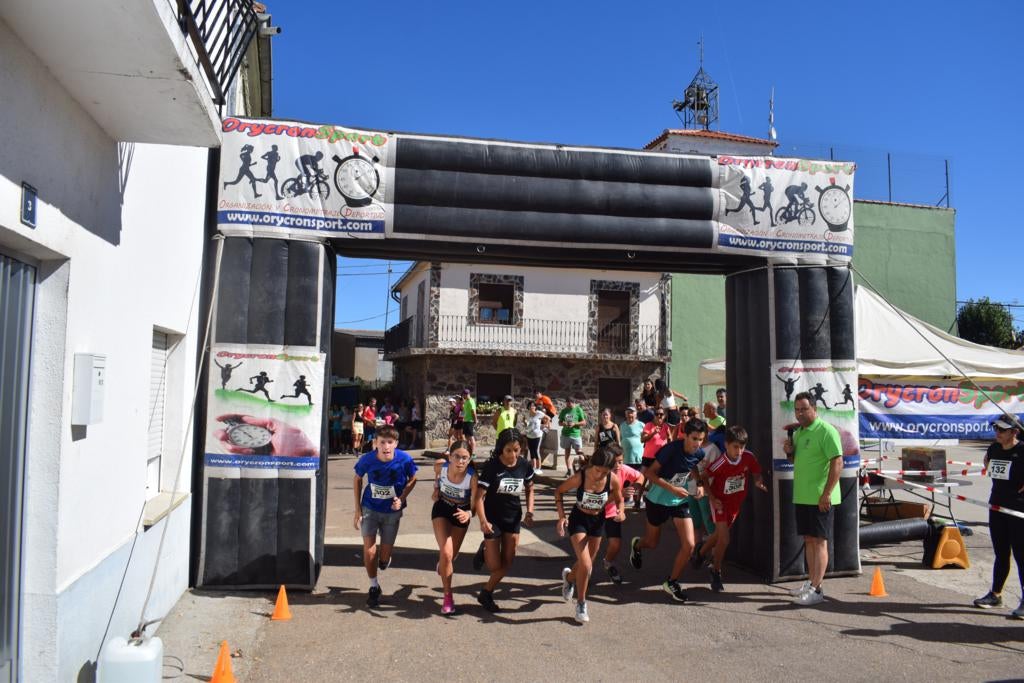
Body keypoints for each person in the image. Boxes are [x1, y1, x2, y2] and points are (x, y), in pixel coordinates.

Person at [629, 417, 707, 602]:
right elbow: (649, 473)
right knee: (652, 542)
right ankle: (637, 545)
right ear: (685, 435)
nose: (697, 443)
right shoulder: (670, 450)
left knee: (689, 545)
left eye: (701, 439)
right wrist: (672, 488)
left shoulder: (699, 453)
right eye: (694, 438)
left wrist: (700, 483)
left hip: (679, 502)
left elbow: (693, 465)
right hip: (657, 500)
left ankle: (672, 582)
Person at [783, 392, 842, 606]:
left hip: (820, 498)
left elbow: (837, 463)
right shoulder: (799, 433)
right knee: (808, 540)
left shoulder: (826, 431)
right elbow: (797, 459)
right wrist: (789, 452)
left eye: (804, 409)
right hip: (803, 496)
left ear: (814, 409)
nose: (800, 413)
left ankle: (817, 589)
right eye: (797, 409)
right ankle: (811, 582)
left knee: (819, 542)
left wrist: (826, 493)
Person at [555, 447, 624, 623]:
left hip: (597, 521)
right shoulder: (581, 476)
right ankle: (581, 604)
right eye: (597, 470)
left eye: (605, 472)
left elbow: (619, 498)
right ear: (592, 465)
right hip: (579, 520)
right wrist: (561, 516)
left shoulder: (612, 479)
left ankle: (569, 578)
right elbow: (559, 491)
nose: (600, 475)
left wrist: (621, 511)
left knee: (586, 563)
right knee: (586, 564)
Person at [694, 425, 766, 592]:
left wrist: (757, 480)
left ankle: (700, 552)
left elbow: (756, 470)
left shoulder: (748, 457)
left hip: (735, 504)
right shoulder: (720, 463)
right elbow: (704, 477)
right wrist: (712, 498)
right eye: (735, 447)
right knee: (724, 539)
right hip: (720, 503)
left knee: (718, 535)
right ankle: (715, 570)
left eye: (742, 447)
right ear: (726, 445)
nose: (739, 451)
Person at [353, 425, 418, 608]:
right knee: (369, 550)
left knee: (383, 556)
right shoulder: (367, 459)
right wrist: (357, 510)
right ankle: (374, 586)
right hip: (370, 508)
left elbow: (413, 479)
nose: (386, 446)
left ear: (396, 443)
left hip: (392, 511)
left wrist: (402, 498)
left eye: (390, 442)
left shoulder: (404, 459)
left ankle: (384, 559)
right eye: (382, 442)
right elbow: (357, 479)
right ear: (375, 443)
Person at [473, 430, 535, 612]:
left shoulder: (525, 465)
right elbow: (478, 498)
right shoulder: (492, 467)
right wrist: (483, 521)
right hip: (492, 520)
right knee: (495, 566)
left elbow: (530, 488)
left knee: (507, 564)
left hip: (513, 518)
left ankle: (486, 593)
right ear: (501, 448)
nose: (512, 455)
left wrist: (530, 511)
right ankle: (485, 550)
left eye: (516, 450)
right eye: (508, 450)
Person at [972, 417, 1024, 619]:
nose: (998, 432)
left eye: (1002, 430)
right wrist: (987, 462)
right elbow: (988, 464)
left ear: (1014, 432)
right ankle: (995, 594)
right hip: (996, 507)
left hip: (1018, 510)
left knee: (1021, 555)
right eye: (996, 428)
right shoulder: (994, 448)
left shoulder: (1023, 451)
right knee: (1001, 552)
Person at [431, 441, 478, 615]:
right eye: (456, 456)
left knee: (452, 556)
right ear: (449, 456)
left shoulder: (472, 477)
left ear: (470, 459)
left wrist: (469, 514)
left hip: (461, 514)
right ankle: (448, 596)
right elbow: (437, 478)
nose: (460, 461)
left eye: (464, 458)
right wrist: (436, 489)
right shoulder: (440, 467)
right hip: (442, 508)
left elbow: (475, 503)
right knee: (446, 553)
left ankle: (443, 565)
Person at [602, 443, 644, 583]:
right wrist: (620, 494)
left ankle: (607, 563)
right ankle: (582, 572)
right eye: (614, 462)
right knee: (590, 548)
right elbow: (599, 502)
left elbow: (640, 477)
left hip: (612, 512)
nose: (618, 465)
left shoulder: (623, 469)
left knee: (616, 544)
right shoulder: (599, 473)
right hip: (595, 512)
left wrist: (635, 486)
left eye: (620, 461)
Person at [558, 396, 587, 476]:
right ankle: (569, 470)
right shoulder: (564, 411)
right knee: (567, 452)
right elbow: (559, 422)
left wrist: (574, 424)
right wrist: (564, 423)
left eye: (569, 403)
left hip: (575, 434)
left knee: (579, 453)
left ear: (573, 402)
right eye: (567, 403)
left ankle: (583, 469)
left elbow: (584, 422)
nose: (568, 405)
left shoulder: (578, 409)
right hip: (566, 434)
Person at [619, 406, 644, 472]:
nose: (630, 414)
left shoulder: (641, 425)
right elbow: (620, 439)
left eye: (632, 413)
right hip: (625, 458)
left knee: (636, 478)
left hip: (637, 458)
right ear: (625, 415)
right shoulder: (622, 425)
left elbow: (646, 439)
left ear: (636, 414)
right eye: (628, 413)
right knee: (626, 479)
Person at [524, 401, 545, 473]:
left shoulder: (539, 413)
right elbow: (524, 420)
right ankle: (534, 467)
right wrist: (525, 424)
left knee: (536, 451)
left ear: (535, 407)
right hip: (529, 435)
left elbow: (548, 418)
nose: (532, 407)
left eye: (533, 406)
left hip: (537, 435)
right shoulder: (527, 414)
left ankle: (539, 468)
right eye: (530, 405)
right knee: (531, 451)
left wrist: (544, 425)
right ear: (528, 407)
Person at [461, 388, 478, 456]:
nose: (463, 396)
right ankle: (468, 452)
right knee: (467, 438)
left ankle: (473, 453)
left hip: (470, 421)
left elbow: (473, 412)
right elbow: (464, 411)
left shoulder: (471, 401)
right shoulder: (466, 402)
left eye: (464, 394)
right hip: (465, 421)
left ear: (467, 394)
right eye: (463, 395)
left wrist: (475, 420)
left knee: (471, 437)